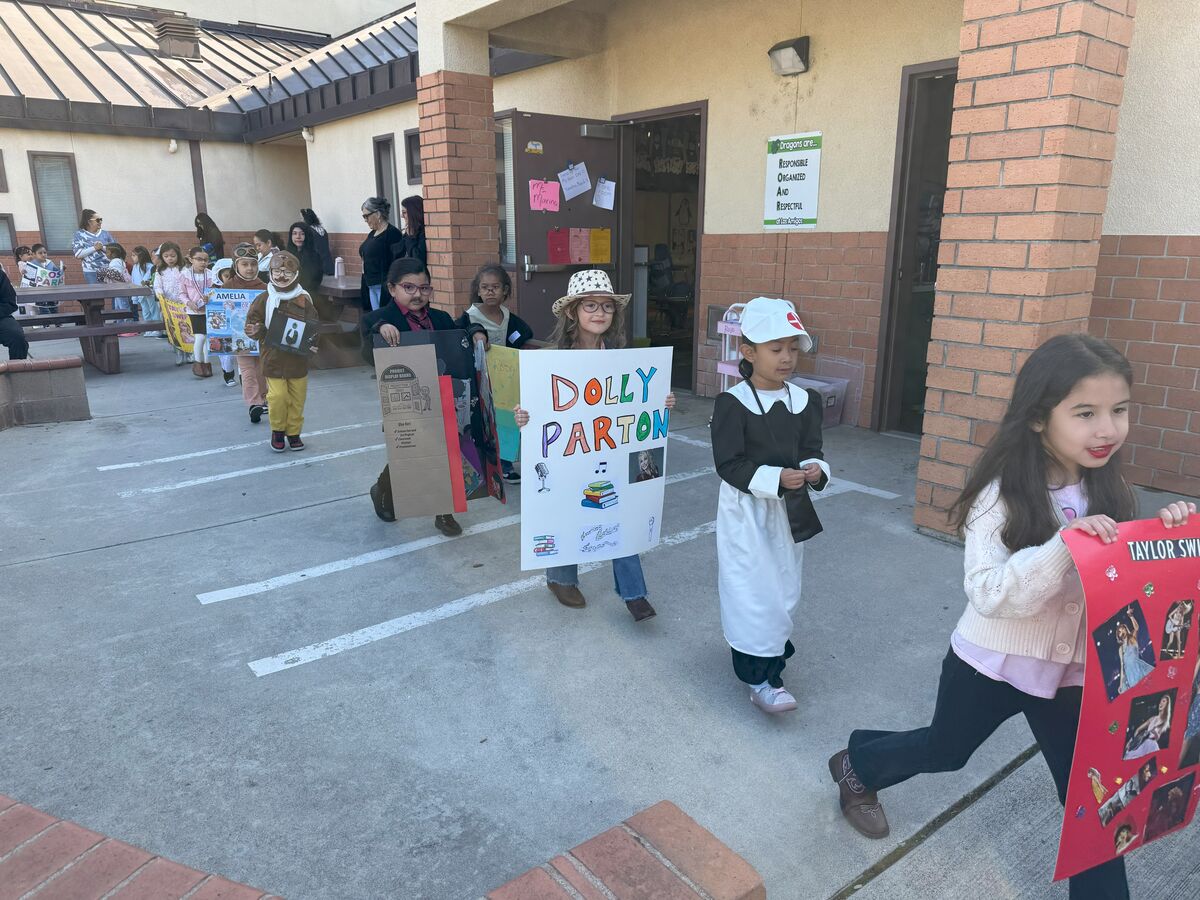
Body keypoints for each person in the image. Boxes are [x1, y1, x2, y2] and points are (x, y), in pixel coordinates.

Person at [829, 332, 1196, 900]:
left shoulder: (1112, 488)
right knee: (945, 751)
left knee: (1094, 803)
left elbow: (1131, 584)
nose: (1108, 429)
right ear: (1036, 419)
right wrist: (1061, 546)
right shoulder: (1001, 495)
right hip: (992, 665)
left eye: (1119, 410)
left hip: (1073, 677)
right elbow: (989, 593)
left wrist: (1168, 537)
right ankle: (859, 763)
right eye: (1085, 413)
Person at [513, 270, 675, 622]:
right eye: (590, 305)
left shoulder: (621, 358)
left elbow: (633, 404)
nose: (600, 313)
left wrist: (660, 402)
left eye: (607, 307)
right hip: (567, 449)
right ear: (572, 312)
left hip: (607, 448)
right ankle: (560, 578)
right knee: (564, 507)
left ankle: (634, 594)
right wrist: (524, 417)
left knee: (621, 508)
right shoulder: (552, 357)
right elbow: (535, 408)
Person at [710, 297, 829, 714]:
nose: (787, 358)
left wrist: (815, 470)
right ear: (748, 352)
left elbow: (813, 450)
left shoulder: (805, 400)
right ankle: (760, 678)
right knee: (750, 590)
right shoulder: (732, 404)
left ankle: (772, 653)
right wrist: (773, 477)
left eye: (793, 348)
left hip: (789, 513)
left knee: (783, 587)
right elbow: (729, 463)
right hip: (746, 514)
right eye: (776, 349)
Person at [362, 258, 482, 536]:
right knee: (410, 452)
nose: (418, 294)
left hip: (443, 395)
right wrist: (379, 329)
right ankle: (382, 489)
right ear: (392, 289)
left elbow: (462, 329)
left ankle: (444, 512)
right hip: (405, 399)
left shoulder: (438, 318)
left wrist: (476, 332)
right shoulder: (379, 319)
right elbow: (366, 354)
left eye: (424, 288)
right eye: (409, 287)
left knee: (446, 451)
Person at [459, 264, 533, 483]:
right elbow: (459, 337)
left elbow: (526, 333)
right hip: (477, 380)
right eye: (485, 287)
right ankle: (479, 463)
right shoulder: (468, 317)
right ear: (478, 291)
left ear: (506, 291)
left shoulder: (509, 318)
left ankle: (506, 462)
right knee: (479, 421)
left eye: (496, 287)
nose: (490, 291)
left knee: (505, 420)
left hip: (505, 382)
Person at [244, 252, 319, 452]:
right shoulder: (265, 298)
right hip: (273, 358)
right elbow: (253, 321)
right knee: (277, 397)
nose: (281, 276)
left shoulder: (304, 299)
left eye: (286, 271)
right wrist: (255, 329)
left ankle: (294, 433)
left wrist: (313, 342)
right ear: (270, 272)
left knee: (297, 398)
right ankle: (278, 430)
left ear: (295, 273)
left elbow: (313, 326)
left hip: (297, 360)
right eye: (277, 271)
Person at [227, 243, 269, 423]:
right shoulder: (227, 287)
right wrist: (209, 300)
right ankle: (254, 404)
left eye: (253, 264)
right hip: (239, 338)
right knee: (247, 370)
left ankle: (264, 398)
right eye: (245, 264)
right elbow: (218, 311)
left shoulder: (266, 287)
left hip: (261, 336)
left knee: (262, 369)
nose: (250, 268)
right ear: (236, 266)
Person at [358, 197, 402, 311]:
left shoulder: (392, 234)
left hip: (383, 288)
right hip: (370, 285)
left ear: (377, 214)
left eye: (366, 216)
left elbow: (396, 261)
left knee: (383, 318)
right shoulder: (373, 233)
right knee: (375, 319)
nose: (365, 220)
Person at [180, 246, 215, 378]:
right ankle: (198, 363)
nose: (203, 262)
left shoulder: (211, 274)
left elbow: (215, 291)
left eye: (206, 260)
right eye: (199, 259)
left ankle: (207, 364)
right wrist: (189, 303)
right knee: (200, 336)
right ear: (191, 259)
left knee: (208, 338)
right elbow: (181, 293)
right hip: (194, 310)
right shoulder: (185, 275)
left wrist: (209, 297)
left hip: (209, 310)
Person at [154, 242, 190, 366]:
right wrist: (160, 294)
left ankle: (189, 352)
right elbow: (157, 285)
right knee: (173, 329)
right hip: (168, 305)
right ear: (162, 257)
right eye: (166, 256)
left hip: (183, 304)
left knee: (186, 328)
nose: (170, 258)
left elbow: (188, 285)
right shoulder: (160, 270)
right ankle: (178, 352)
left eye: (173, 256)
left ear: (178, 256)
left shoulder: (184, 269)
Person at [210, 258, 239, 387]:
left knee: (240, 352)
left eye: (232, 276)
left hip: (237, 325)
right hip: (221, 326)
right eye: (226, 276)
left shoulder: (241, 289)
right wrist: (204, 300)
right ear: (219, 276)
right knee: (226, 355)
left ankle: (242, 375)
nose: (229, 278)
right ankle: (228, 374)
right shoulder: (213, 292)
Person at [97, 243, 137, 331]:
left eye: (107, 252)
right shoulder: (118, 260)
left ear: (112, 253)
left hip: (120, 288)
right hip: (118, 288)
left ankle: (128, 327)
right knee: (119, 307)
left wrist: (105, 272)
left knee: (123, 307)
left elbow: (117, 274)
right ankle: (121, 326)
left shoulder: (115, 261)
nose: (106, 254)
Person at [1115, 609, 1154, 694]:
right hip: (1130, 675)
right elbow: (1122, 666)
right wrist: (1121, 684)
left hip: (1138, 669)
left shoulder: (1132, 638)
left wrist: (1130, 616)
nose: (1121, 631)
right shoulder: (1120, 649)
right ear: (1118, 634)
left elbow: (1136, 627)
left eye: (1123, 629)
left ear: (1126, 629)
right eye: (1119, 631)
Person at [72, 209, 114, 284]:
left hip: (108, 270)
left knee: (110, 294)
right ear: (89, 222)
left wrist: (102, 248)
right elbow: (78, 254)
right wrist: (94, 248)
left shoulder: (106, 234)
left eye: (101, 219)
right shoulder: (79, 235)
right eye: (98, 220)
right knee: (97, 294)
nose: (100, 222)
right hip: (91, 272)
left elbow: (116, 251)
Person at [1124, 694, 1172, 760]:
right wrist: (1132, 741)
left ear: (1167, 705)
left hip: (1151, 745)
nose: (1160, 703)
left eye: (1163, 701)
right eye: (1160, 701)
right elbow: (1138, 729)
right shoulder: (1152, 718)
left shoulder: (1166, 722)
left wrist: (1154, 733)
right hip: (1143, 741)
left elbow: (1161, 738)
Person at [129, 246, 162, 336]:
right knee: (145, 311)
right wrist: (134, 296)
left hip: (149, 292)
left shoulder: (149, 266)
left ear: (141, 255)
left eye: (134, 255)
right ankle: (148, 329)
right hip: (139, 293)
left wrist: (144, 286)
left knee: (153, 310)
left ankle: (157, 329)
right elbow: (133, 280)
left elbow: (147, 279)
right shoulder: (135, 267)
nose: (132, 257)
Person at [286, 222, 324, 297]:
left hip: (307, 293)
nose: (298, 237)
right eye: (294, 233)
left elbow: (316, 278)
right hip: (288, 293)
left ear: (308, 236)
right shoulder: (286, 255)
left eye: (302, 234)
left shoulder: (315, 256)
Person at [0, 266, 29, 360]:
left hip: (1, 317)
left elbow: (10, 302)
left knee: (16, 336)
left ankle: (18, 372)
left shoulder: (0, 275)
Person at [392, 195, 427, 267]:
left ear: (413, 213)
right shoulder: (411, 230)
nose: (402, 216)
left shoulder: (423, 233)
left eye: (404, 212)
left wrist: (410, 237)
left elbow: (418, 259)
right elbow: (397, 252)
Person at [301, 208, 334, 276]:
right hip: (328, 264)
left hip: (315, 265)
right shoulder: (322, 229)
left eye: (302, 217)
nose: (301, 220)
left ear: (306, 218)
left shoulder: (308, 231)